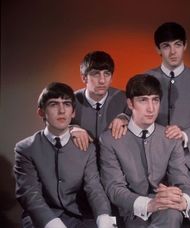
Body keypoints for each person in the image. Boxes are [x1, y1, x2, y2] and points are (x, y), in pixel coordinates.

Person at [14, 82, 116, 228]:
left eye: (67, 104)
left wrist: (104, 216)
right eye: (54, 104)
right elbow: (29, 194)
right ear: (41, 112)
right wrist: (52, 223)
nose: (62, 110)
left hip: (79, 216)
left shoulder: (87, 147)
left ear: (73, 112)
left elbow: (94, 187)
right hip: (42, 218)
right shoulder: (25, 148)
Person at [146, 22, 190, 225]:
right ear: (158, 49)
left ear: (185, 45)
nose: (173, 51)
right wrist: (122, 118)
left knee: (187, 218)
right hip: (150, 165)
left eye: (177, 44)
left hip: (186, 163)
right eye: (166, 46)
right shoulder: (145, 78)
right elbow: (131, 112)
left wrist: (184, 135)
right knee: (155, 216)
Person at [99, 74, 190, 228]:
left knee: (171, 213)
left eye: (155, 100)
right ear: (130, 103)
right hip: (130, 211)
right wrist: (149, 204)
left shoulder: (171, 137)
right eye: (143, 100)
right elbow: (114, 188)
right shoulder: (109, 140)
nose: (151, 108)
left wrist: (181, 200)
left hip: (166, 207)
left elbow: (183, 183)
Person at [71, 50, 130, 151]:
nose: (102, 80)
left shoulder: (125, 98)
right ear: (84, 78)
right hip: (81, 162)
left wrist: (126, 118)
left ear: (111, 78)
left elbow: (141, 123)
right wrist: (70, 128)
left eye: (106, 74)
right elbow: (52, 126)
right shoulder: (70, 101)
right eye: (96, 74)